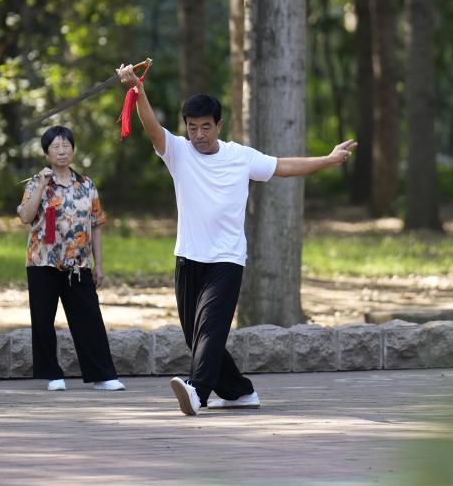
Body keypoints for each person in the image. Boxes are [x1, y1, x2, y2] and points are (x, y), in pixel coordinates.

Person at [116, 64, 356, 416]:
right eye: (192, 127)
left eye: (205, 127)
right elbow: (152, 128)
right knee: (195, 337)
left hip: (226, 259)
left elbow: (285, 167)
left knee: (211, 330)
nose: (199, 134)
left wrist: (329, 160)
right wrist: (138, 90)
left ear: (219, 125)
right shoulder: (178, 153)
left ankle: (197, 392)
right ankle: (239, 391)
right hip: (188, 257)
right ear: (186, 127)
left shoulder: (240, 157)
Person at [17, 125, 125, 392]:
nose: (62, 151)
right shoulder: (36, 183)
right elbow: (25, 216)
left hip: (78, 263)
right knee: (43, 319)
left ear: (73, 150)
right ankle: (52, 374)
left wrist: (99, 263)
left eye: (67, 146)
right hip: (43, 262)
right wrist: (42, 186)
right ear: (46, 153)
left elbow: (97, 223)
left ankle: (102, 374)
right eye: (56, 146)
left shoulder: (86, 185)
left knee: (89, 318)